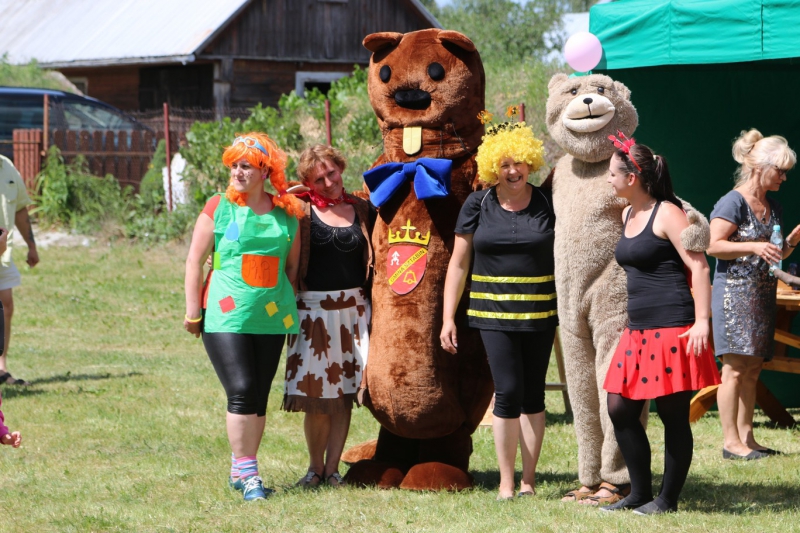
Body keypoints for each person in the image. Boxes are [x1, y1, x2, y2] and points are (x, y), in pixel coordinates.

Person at [600, 134, 720, 515]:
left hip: (673, 327)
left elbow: (699, 267)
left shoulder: (667, 213)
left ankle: (667, 500)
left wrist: (702, 322)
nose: (608, 180)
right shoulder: (626, 214)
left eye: (612, 173)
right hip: (638, 329)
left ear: (631, 178)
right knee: (619, 408)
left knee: (672, 415)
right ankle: (639, 493)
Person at [440, 119, 556, 501]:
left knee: (533, 395)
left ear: (530, 162)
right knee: (507, 392)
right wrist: (447, 318)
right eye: (504, 164)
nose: (513, 171)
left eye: (519, 162)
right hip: (492, 314)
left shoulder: (547, 203)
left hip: (540, 314)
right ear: (493, 167)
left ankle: (528, 481)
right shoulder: (478, 203)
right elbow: (458, 264)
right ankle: (506, 483)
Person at [184, 132, 303, 501]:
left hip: (271, 317)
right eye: (234, 165)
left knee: (259, 396)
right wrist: (192, 311)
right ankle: (250, 474)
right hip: (225, 315)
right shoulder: (218, 207)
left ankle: (241, 467)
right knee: (241, 390)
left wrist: (286, 308)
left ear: (265, 171)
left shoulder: (287, 213)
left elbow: (292, 270)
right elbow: (194, 261)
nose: (238, 172)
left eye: (246, 166)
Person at [282, 145, 375, 488]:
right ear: (308, 183)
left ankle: (333, 470)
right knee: (317, 400)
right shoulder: (300, 211)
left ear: (341, 168)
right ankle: (314, 469)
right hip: (312, 315)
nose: (328, 182)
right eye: (318, 179)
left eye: (331, 173)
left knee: (343, 397)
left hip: (354, 314)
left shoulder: (362, 208)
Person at [707, 129, 799, 459]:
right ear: (760, 167)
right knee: (733, 370)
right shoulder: (733, 201)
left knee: (753, 370)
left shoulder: (773, 206)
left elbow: (775, 254)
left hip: (761, 297)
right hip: (734, 297)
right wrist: (754, 246)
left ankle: (748, 438)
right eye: (781, 171)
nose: (784, 178)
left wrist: (790, 242)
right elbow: (713, 245)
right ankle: (730, 442)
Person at [0, 155, 38, 387]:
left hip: (2, 253)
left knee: (6, 305)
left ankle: (1, 367)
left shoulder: (7, 166)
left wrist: (31, 246)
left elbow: (20, 210)